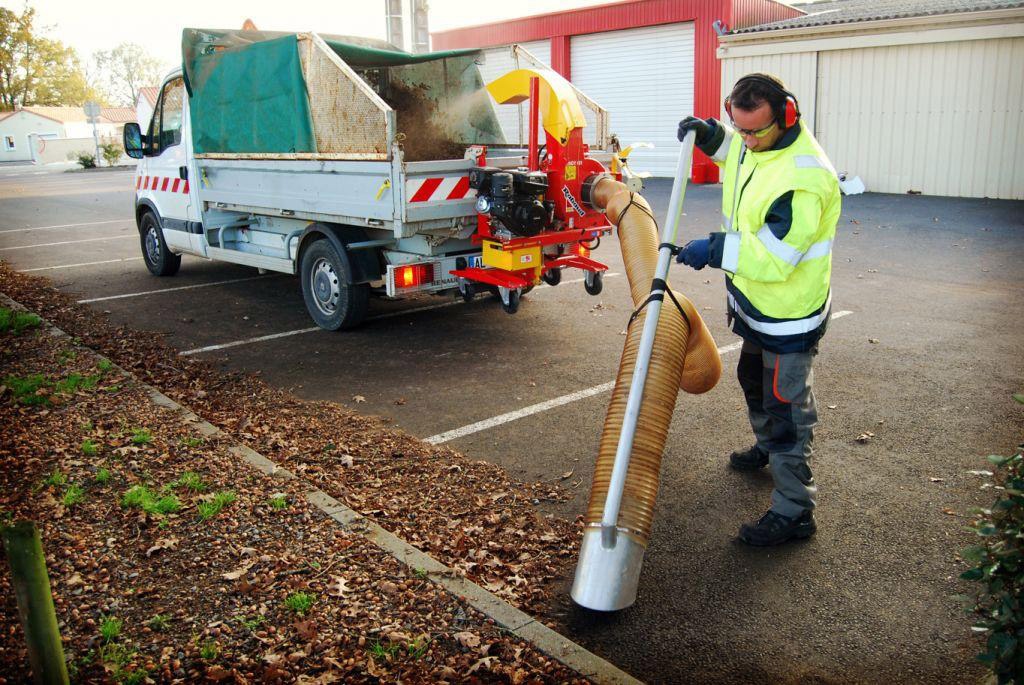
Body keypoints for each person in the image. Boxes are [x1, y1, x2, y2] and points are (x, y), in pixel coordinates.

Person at [675, 73, 840, 546]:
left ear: (787, 116)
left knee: (787, 411)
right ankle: (768, 449)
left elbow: (775, 256)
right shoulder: (759, 142)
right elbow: (740, 155)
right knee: (753, 381)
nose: (745, 140)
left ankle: (795, 512)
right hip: (757, 306)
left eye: (754, 131)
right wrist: (712, 137)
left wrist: (715, 249)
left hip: (789, 315)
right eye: (738, 127)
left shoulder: (805, 179)